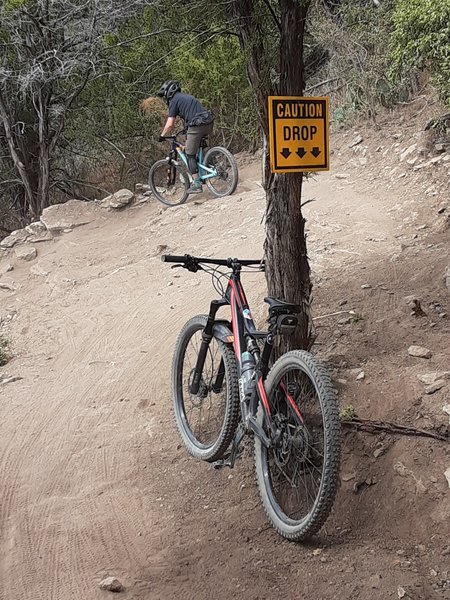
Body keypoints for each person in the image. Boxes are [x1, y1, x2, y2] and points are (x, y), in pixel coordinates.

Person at [156, 81, 214, 194]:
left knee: (189, 153)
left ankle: (197, 183)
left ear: (168, 93)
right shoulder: (186, 96)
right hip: (208, 122)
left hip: (197, 125)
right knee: (197, 146)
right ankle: (212, 165)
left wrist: (162, 136)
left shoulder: (174, 101)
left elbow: (169, 124)